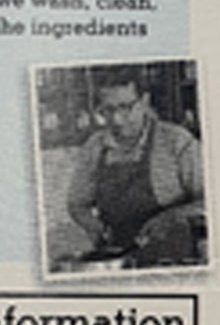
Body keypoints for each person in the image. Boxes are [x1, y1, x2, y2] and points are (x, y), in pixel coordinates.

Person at [62, 74, 205, 265]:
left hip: (173, 258)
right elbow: (77, 204)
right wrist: (93, 227)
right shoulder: (94, 147)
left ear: (145, 101)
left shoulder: (177, 142)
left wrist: (171, 217)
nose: (117, 120)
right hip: (119, 258)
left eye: (125, 107)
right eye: (107, 110)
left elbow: (210, 201)